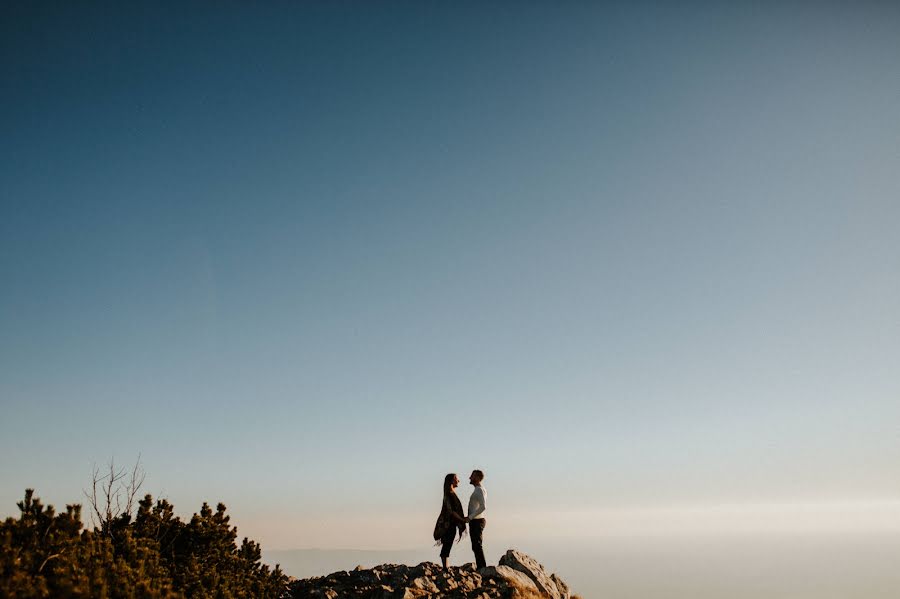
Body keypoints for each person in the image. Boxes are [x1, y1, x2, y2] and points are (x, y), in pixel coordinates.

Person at [434, 473, 467, 569]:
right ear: (452, 481)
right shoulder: (449, 494)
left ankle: (445, 566)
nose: (458, 481)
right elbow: (451, 511)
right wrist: (461, 519)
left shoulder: (450, 493)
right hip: (449, 524)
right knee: (447, 544)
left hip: (450, 523)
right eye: (457, 479)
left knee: (448, 544)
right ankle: (445, 567)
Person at [465, 469, 487, 569]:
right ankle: (481, 567)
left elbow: (483, 507)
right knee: (476, 546)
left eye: (472, 476)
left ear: (477, 478)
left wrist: (470, 517)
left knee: (477, 545)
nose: (470, 477)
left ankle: (482, 568)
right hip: (476, 520)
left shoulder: (479, 490)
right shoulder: (479, 489)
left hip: (477, 521)